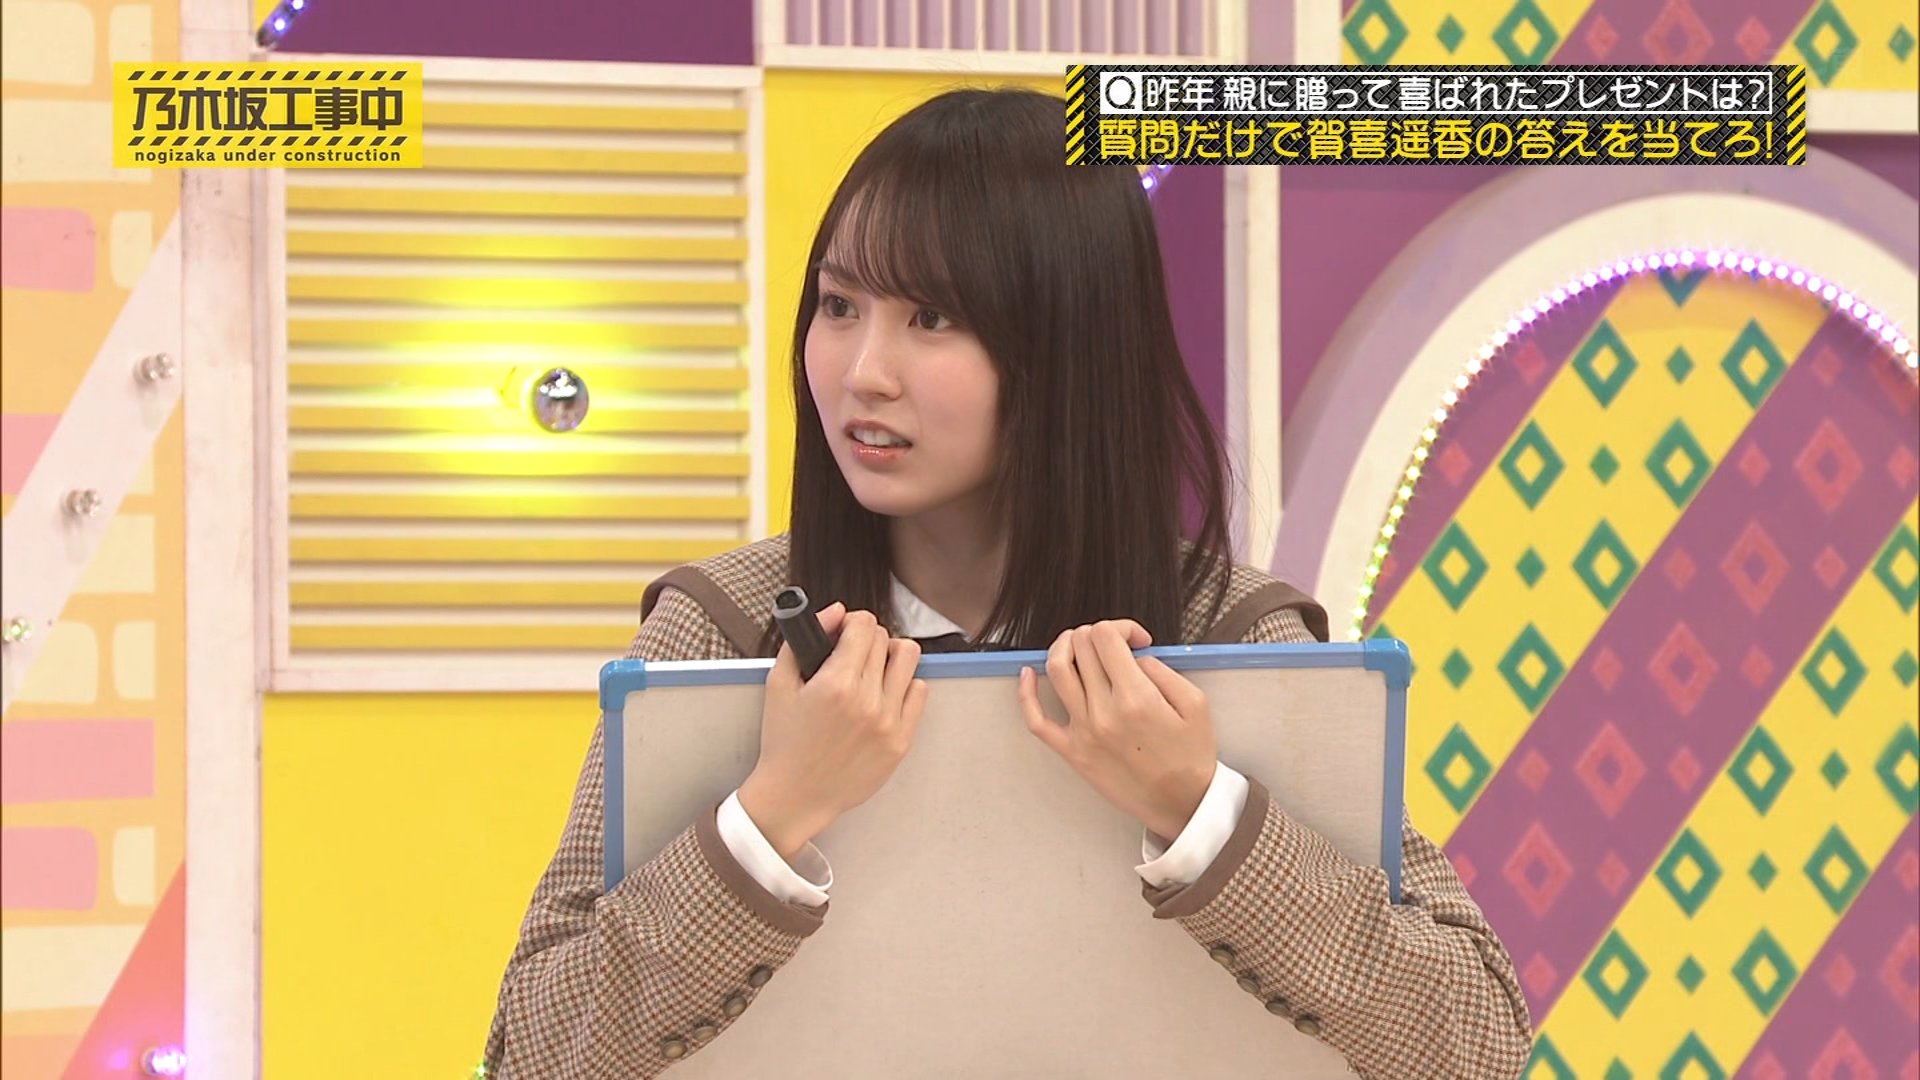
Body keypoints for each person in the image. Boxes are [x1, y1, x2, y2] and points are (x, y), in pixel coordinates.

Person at [482, 86, 1533, 1079]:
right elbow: (532, 1049)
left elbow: (1475, 1041)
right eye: (840, 305)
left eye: (932, 318)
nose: (863, 371)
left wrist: (1201, 808)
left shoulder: (1234, 637)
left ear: (1068, 348)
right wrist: (771, 812)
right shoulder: (721, 630)